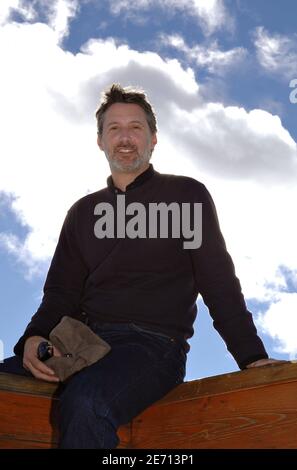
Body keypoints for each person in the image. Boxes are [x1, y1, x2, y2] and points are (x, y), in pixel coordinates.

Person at [0, 84, 283, 448]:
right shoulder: (82, 212)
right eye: (114, 128)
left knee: (87, 402)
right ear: (100, 141)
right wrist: (33, 339)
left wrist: (252, 356)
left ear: (153, 138)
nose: (125, 137)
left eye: (136, 127)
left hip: (152, 345)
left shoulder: (186, 196)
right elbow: (60, 293)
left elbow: (218, 282)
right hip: (79, 342)